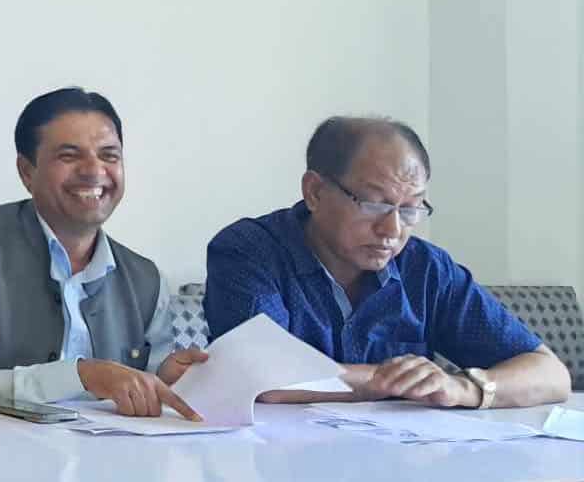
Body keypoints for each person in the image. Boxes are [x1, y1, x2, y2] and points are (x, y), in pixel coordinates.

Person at [206, 116, 568, 409]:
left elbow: (550, 373)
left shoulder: (426, 268)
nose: (392, 230)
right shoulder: (249, 251)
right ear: (315, 192)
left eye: (411, 208)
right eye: (374, 204)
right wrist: (384, 380)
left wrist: (466, 388)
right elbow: (258, 374)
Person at [0, 87, 206, 417]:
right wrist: (80, 376)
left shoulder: (147, 279)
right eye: (69, 156)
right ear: (27, 171)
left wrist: (170, 381)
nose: (94, 170)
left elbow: (152, 392)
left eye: (109, 156)